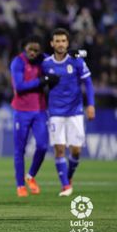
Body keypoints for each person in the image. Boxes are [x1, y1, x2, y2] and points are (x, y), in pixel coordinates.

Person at [42, 28, 95, 197]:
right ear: (52, 43)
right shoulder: (46, 64)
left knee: (76, 151)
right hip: (55, 112)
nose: (60, 44)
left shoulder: (76, 61)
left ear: (67, 43)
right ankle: (65, 185)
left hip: (75, 111)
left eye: (63, 41)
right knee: (59, 149)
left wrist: (91, 105)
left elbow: (88, 83)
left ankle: (68, 176)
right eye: (57, 41)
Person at [10, 35, 57, 197]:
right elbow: (20, 86)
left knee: (43, 146)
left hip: (40, 111)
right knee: (19, 150)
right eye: (30, 49)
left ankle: (30, 176)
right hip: (21, 111)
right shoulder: (18, 62)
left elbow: (56, 65)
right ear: (25, 48)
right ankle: (20, 185)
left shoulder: (43, 60)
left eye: (36, 50)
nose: (33, 53)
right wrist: (42, 80)